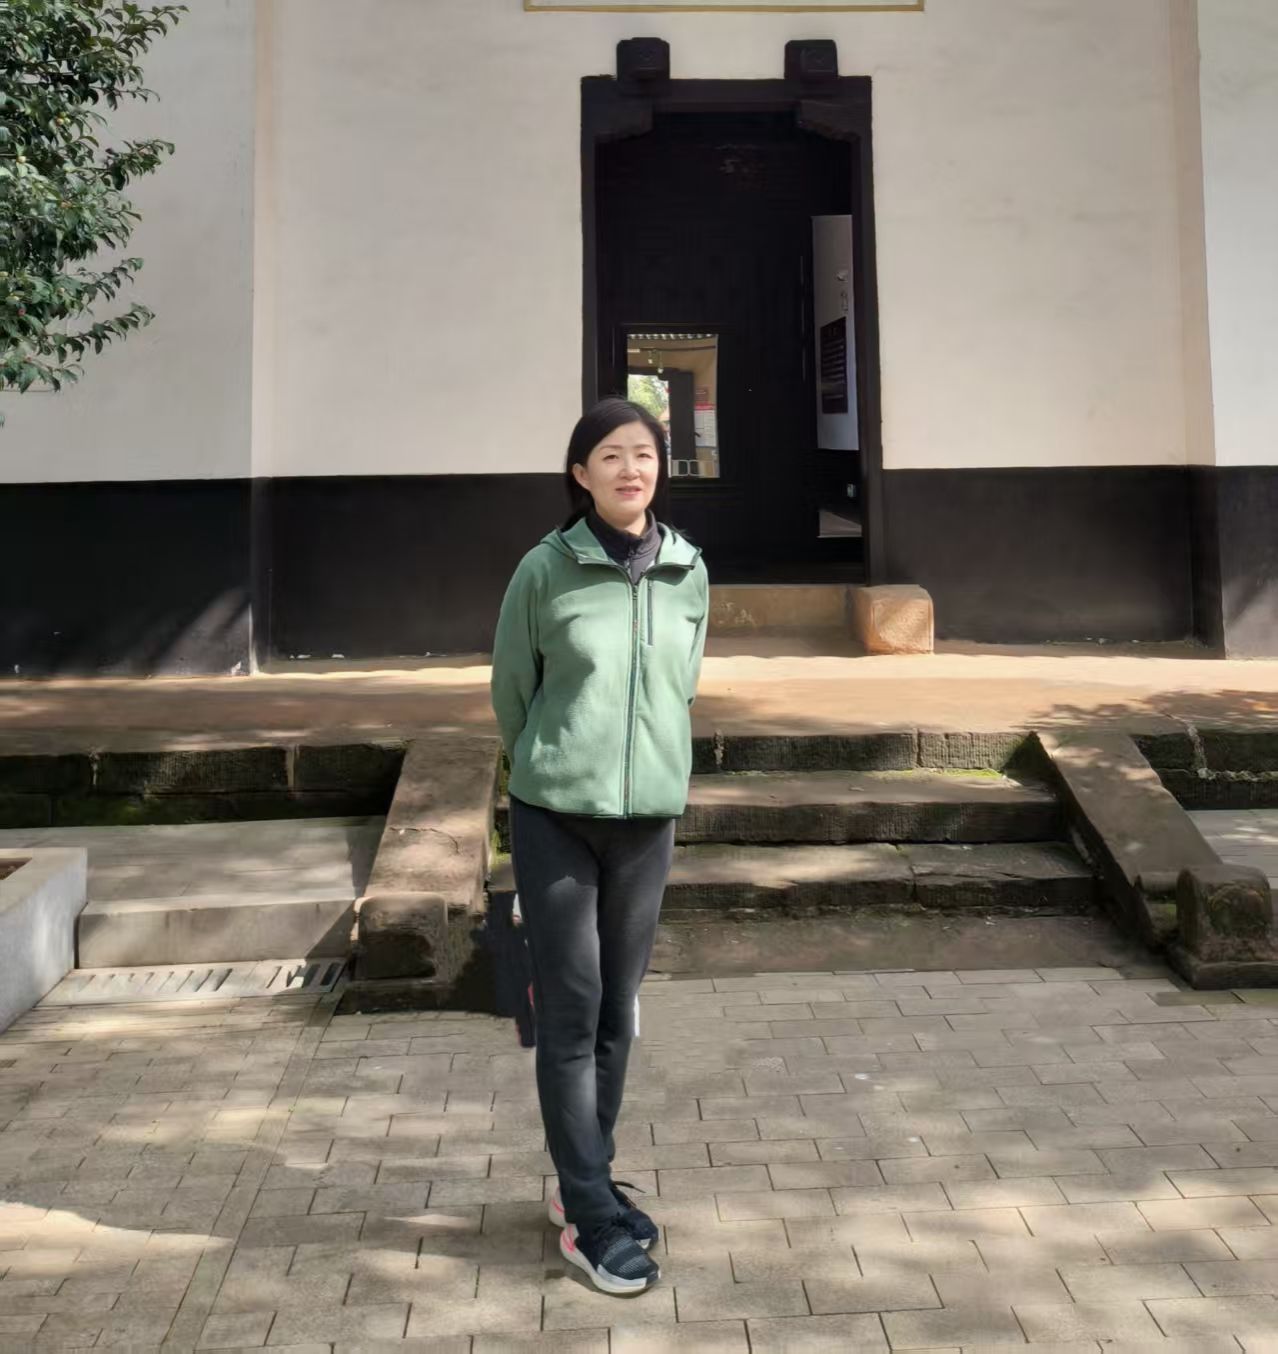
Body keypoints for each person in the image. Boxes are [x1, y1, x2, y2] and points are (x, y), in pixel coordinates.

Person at [490, 398, 709, 1296]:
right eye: (611, 455)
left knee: (619, 1008)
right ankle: (587, 1216)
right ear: (581, 474)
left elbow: (681, 687)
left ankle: (586, 1180)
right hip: (556, 818)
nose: (631, 469)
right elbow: (513, 691)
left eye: (644, 454)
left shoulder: (688, 569)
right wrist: (552, 769)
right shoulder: (544, 570)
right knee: (572, 1009)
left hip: (646, 821)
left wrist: (654, 772)